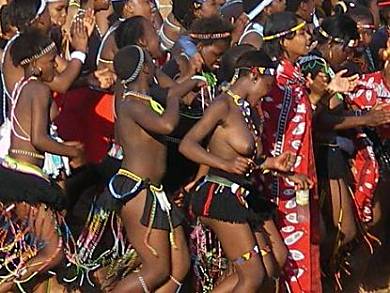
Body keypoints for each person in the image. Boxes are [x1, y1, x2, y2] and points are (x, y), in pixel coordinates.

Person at [179, 50, 312, 292]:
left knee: (276, 261)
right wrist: (224, 164)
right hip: (219, 194)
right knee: (252, 275)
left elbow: (249, 161)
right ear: (253, 76)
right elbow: (187, 144)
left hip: (243, 192)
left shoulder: (249, 111)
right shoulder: (222, 105)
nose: (266, 94)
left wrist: (274, 165)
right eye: (266, 87)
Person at [0, 28, 85, 292]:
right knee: (53, 252)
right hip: (26, 177)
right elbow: (38, 139)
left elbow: (50, 115)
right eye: (51, 61)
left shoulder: (28, 86)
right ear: (35, 65)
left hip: (18, 171)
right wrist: (73, 153)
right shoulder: (36, 88)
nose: (55, 66)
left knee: (45, 264)